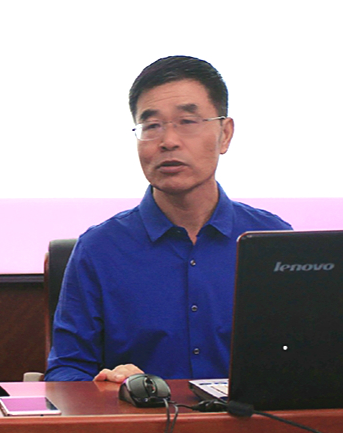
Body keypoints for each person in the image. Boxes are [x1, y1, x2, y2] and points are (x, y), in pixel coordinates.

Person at [45, 55, 292, 382]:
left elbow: (303, 355)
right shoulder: (99, 249)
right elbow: (66, 369)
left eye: (187, 122)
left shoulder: (273, 240)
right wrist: (104, 389)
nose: (169, 141)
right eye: (151, 126)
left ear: (225, 134)